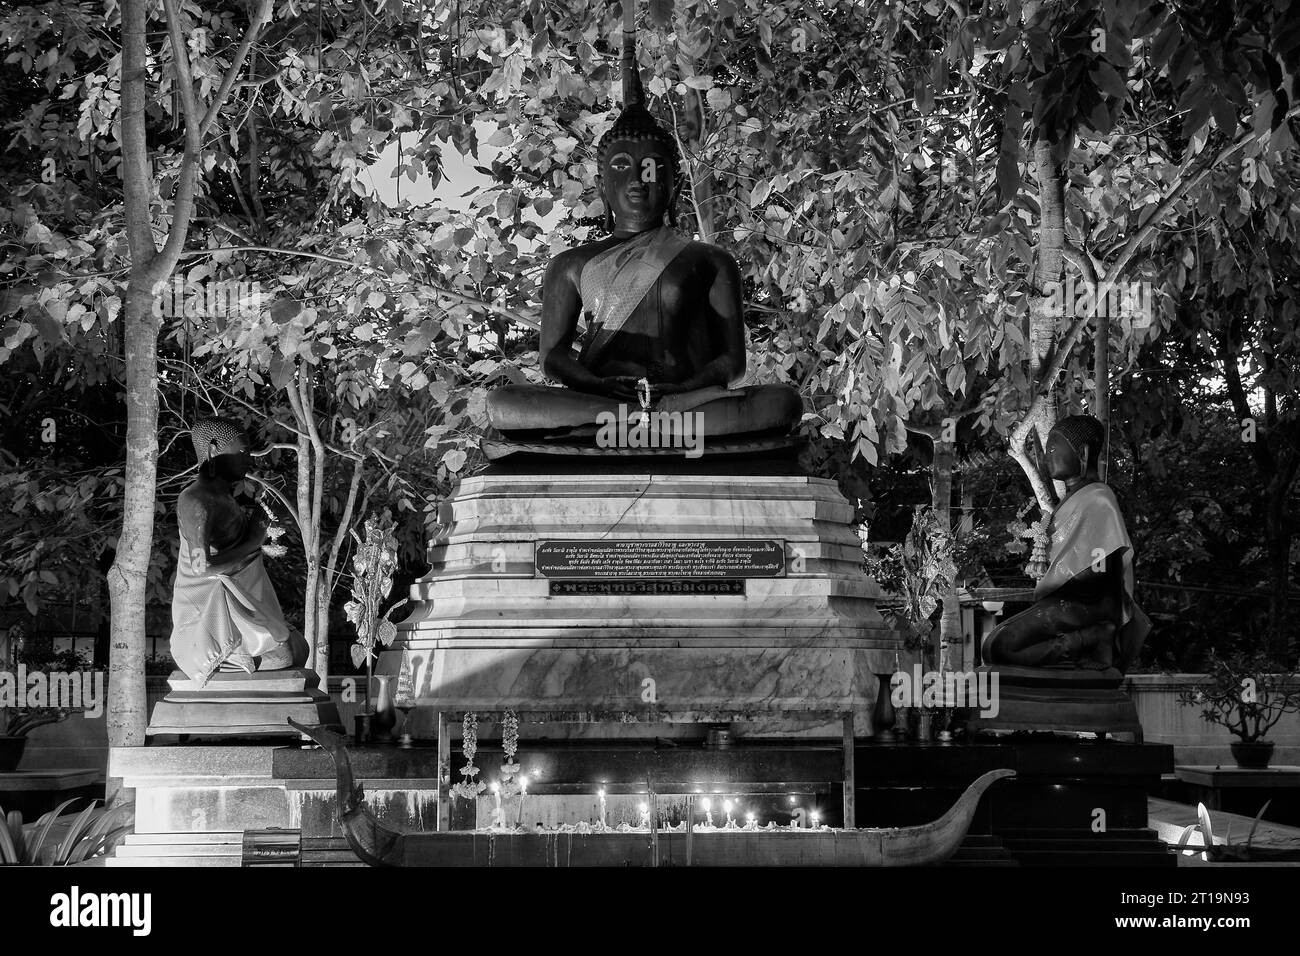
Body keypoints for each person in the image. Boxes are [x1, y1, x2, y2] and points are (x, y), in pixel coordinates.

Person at [484, 16, 801, 450]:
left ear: (674, 183)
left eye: (652, 168)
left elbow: (732, 363)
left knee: (781, 402)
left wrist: (684, 388)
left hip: (684, 404)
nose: (638, 179)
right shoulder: (571, 265)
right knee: (505, 402)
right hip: (601, 401)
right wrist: (596, 384)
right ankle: (636, 424)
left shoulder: (708, 261)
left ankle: (636, 426)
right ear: (601, 185)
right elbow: (554, 358)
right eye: (621, 168)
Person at [981, 415, 1151, 672]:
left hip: (1090, 606)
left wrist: (1059, 580)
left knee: (1001, 646)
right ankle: (1083, 642)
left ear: (1082, 453)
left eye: (1052, 448)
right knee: (993, 642)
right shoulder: (1070, 502)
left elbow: (1101, 572)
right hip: (1064, 602)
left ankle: (1092, 638)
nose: (1046, 456)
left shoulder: (1098, 500)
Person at [169, 417, 299, 685]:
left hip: (241, 599)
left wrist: (261, 528)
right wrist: (253, 540)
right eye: (242, 452)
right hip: (208, 609)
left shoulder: (227, 498)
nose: (249, 460)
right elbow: (201, 568)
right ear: (213, 450)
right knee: (287, 653)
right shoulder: (196, 500)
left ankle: (242, 648)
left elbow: (242, 549)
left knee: (299, 647)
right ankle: (225, 651)